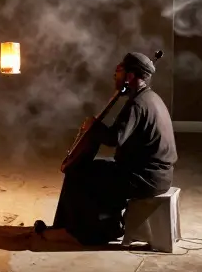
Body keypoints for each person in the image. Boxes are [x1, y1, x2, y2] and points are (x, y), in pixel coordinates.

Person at [36, 52, 177, 246]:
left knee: (77, 173)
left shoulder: (137, 104)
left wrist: (93, 126)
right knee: (96, 169)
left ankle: (76, 233)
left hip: (146, 178)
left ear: (130, 76)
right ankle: (106, 226)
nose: (115, 75)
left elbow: (115, 138)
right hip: (156, 174)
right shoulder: (151, 98)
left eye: (119, 70)